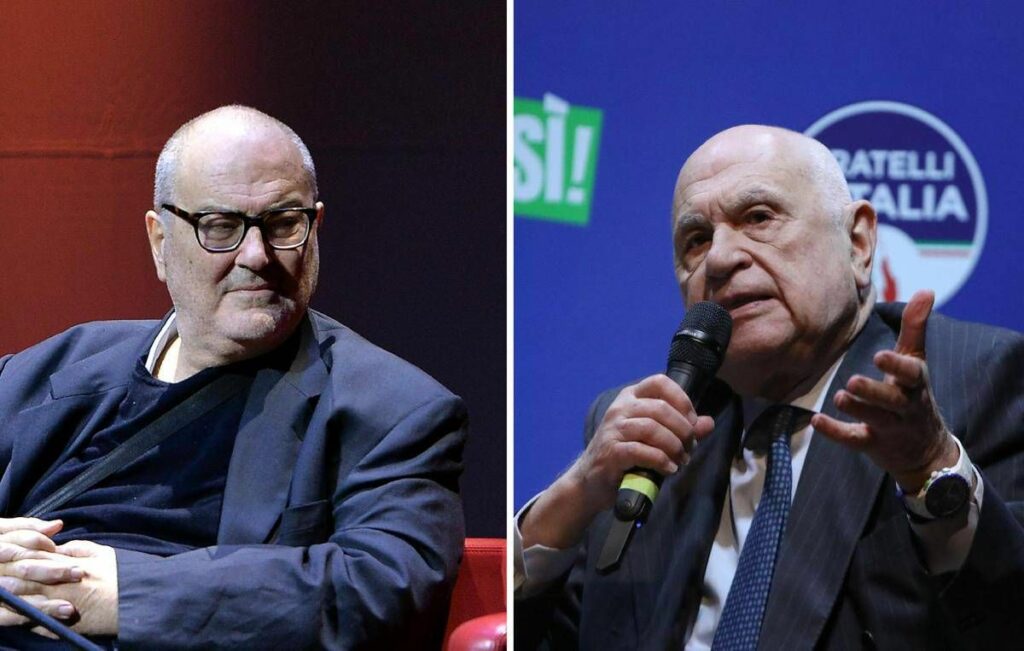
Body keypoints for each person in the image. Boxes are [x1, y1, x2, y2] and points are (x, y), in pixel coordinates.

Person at [515, 125, 1024, 649]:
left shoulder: (975, 380)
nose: (719, 259)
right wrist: (574, 496)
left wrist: (930, 468)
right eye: (697, 240)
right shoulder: (642, 438)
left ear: (858, 243)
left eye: (758, 218)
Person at [0, 105, 467, 649]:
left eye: (283, 224)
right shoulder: (47, 373)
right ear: (160, 241)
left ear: (315, 229)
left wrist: (123, 595)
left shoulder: (391, 410)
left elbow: (378, 590)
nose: (257, 255)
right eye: (220, 227)